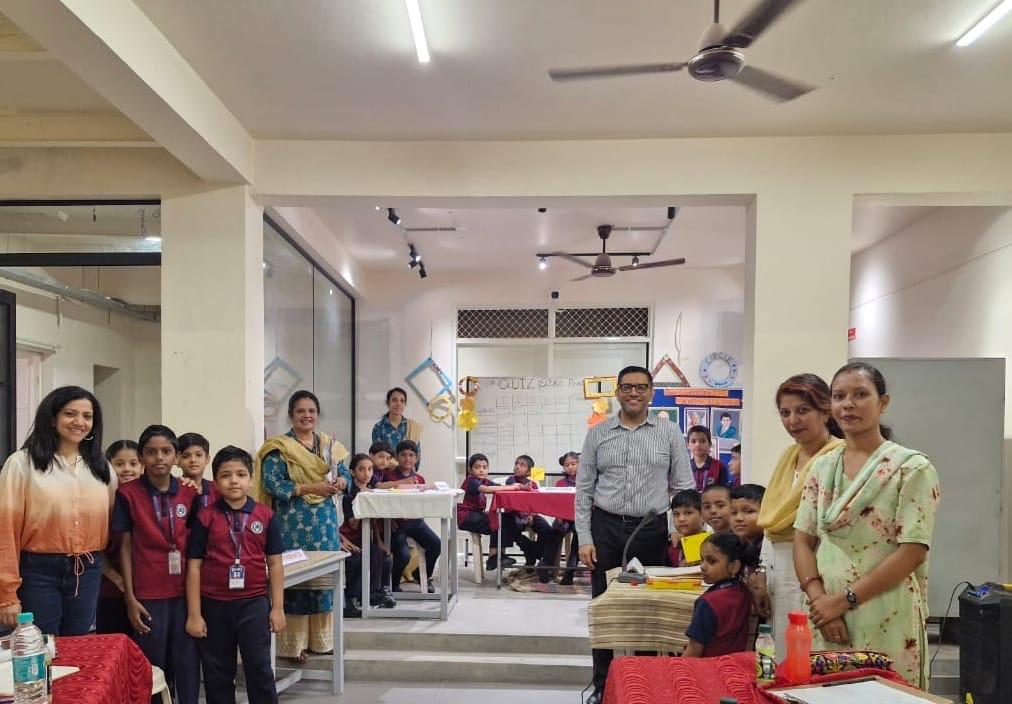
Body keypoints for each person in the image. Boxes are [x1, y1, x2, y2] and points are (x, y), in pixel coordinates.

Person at [794, 362, 940, 688]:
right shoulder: (822, 467)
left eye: (861, 394)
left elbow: (913, 551)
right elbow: (803, 540)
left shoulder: (911, 468)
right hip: (826, 613)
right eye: (839, 396)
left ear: (882, 403)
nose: (848, 404)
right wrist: (821, 603)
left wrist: (843, 600)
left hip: (886, 609)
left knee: (885, 693)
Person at [576, 365, 694, 703]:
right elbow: (583, 489)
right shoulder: (598, 433)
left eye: (641, 387)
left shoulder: (669, 432)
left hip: (651, 529)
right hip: (606, 528)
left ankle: (640, 683)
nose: (634, 393)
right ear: (617, 392)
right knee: (605, 606)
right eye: (627, 387)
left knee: (647, 605)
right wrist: (584, 537)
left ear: (650, 392)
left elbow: (683, 487)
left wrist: (677, 530)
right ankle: (601, 684)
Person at [0, 386, 115, 635]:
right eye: (70, 414)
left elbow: (124, 509)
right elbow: (5, 530)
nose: (79, 422)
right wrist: (7, 594)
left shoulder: (101, 467)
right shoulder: (22, 463)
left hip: (88, 568)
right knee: (41, 650)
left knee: (79, 649)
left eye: (87, 416)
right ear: (53, 419)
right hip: (37, 570)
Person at [253, 389, 349, 661]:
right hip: (292, 522)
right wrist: (309, 487)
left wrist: (343, 482)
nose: (307, 416)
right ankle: (293, 647)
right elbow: (272, 483)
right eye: (300, 411)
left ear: (317, 415)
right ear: (291, 415)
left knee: (323, 579)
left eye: (311, 411)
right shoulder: (279, 448)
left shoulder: (329, 444)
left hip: (325, 523)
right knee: (294, 580)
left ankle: (321, 642)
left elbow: (344, 473)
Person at [754, 373, 845, 655]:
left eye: (803, 411)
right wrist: (759, 575)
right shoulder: (789, 456)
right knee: (780, 651)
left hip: (817, 570)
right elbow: (772, 524)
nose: (793, 420)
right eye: (785, 413)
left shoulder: (839, 457)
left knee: (810, 654)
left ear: (825, 412)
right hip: (777, 569)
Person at [186, 446, 285, 704]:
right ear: (215, 481)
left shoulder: (265, 515)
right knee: (217, 672)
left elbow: (274, 564)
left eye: (241, 474)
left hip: (254, 603)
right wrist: (195, 614)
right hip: (214, 604)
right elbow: (194, 566)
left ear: (251, 479)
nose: (234, 481)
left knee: (259, 668)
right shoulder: (205, 517)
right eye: (226, 475)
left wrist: (277, 608)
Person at [114, 425, 199, 704]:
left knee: (186, 664)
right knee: (150, 666)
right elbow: (124, 548)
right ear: (141, 457)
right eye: (151, 452)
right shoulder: (127, 494)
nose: (159, 458)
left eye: (166, 451)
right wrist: (129, 596)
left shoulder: (189, 492)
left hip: (185, 591)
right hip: (147, 593)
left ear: (176, 457)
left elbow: (197, 547)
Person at [340, 454, 396, 616]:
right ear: (352, 472)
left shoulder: (373, 491)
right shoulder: (349, 495)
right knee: (363, 556)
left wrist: (379, 541)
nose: (367, 473)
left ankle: (378, 592)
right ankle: (361, 596)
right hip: (351, 537)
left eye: (370, 469)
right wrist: (361, 501)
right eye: (361, 469)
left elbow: (373, 524)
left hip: (367, 537)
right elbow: (353, 523)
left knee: (382, 553)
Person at [96, 440, 142, 635]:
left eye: (133, 463)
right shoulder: (100, 500)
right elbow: (94, 549)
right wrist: (119, 580)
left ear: (142, 465)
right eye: (119, 464)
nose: (127, 469)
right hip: (111, 590)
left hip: (144, 590)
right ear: (109, 465)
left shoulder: (149, 499)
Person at [385, 440, 442, 592]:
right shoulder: (388, 476)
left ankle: (422, 575)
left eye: (411, 455)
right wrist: (389, 521)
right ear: (397, 457)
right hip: (397, 523)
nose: (407, 459)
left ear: (416, 458)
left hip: (416, 522)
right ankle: (393, 583)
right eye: (403, 455)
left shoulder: (420, 479)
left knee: (436, 544)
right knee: (403, 555)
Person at [683, 533, 752, 657]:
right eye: (701, 559)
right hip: (735, 667)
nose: (702, 566)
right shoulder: (744, 591)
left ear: (734, 566)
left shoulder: (707, 602)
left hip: (708, 669)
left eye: (711, 561)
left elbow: (693, 653)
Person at [456, 453, 522, 572]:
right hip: (465, 516)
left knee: (505, 518)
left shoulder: (485, 481)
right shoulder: (471, 481)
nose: (481, 470)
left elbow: (498, 487)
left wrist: (518, 486)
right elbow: (485, 490)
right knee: (497, 519)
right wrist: (512, 487)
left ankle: (498, 556)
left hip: (476, 515)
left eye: (484, 467)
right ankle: (493, 557)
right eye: (477, 467)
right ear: (470, 469)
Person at [504, 454, 554, 571]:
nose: (517, 467)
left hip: (530, 515)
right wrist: (523, 487)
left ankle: (535, 552)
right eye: (516, 464)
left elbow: (537, 504)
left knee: (546, 529)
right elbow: (513, 495)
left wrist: (532, 515)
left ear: (529, 472)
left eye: (522, 465)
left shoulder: (534, 484)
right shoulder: (511, 480)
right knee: (512, 526)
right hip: (514, 514)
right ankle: (529, 549)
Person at [551, 452, 580, 585]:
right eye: (567, 465)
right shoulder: (560, 483)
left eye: (573, 464)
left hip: (581, 518)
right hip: (564, 517)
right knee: (554, 531)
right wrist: (560, 517)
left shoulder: (586, 481)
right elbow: (556, 504)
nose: (570, 467)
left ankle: (569, 572)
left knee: (578, 538)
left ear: (579, 464)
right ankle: (547, 566)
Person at [372, 387, 422, 462]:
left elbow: (416, 453)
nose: (398, 404)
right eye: (394, 400)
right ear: (388, 402)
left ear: (405, 404)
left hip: (407, 472)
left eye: (402, 401)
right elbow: (378, 455)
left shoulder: (411, 426)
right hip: (386, 472)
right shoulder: (379, 428)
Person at [730, 483, 765, 577]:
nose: (738, 518)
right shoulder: (734, 546)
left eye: (749, 511)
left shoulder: (771, 548)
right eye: (733, 512)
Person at [178, 432, 217, 509]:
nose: (193, 460)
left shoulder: (216, 489)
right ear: (177, 460)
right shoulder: (173, 488)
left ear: (207, 459)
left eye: (198, 455)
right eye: (186, 456)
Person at [667, 489, 705, 567]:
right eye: (676, 514)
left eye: (688, 513)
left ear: (703, 515)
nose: (681, 519)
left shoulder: (712, 543)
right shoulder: (672, 546)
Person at [687, 425, 728, 490]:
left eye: (703, 441)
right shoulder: (684, 468)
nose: (697, 444)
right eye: (693, 441)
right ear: (688, 445)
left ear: (710, 444)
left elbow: (723, 492)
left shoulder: (719, 466)